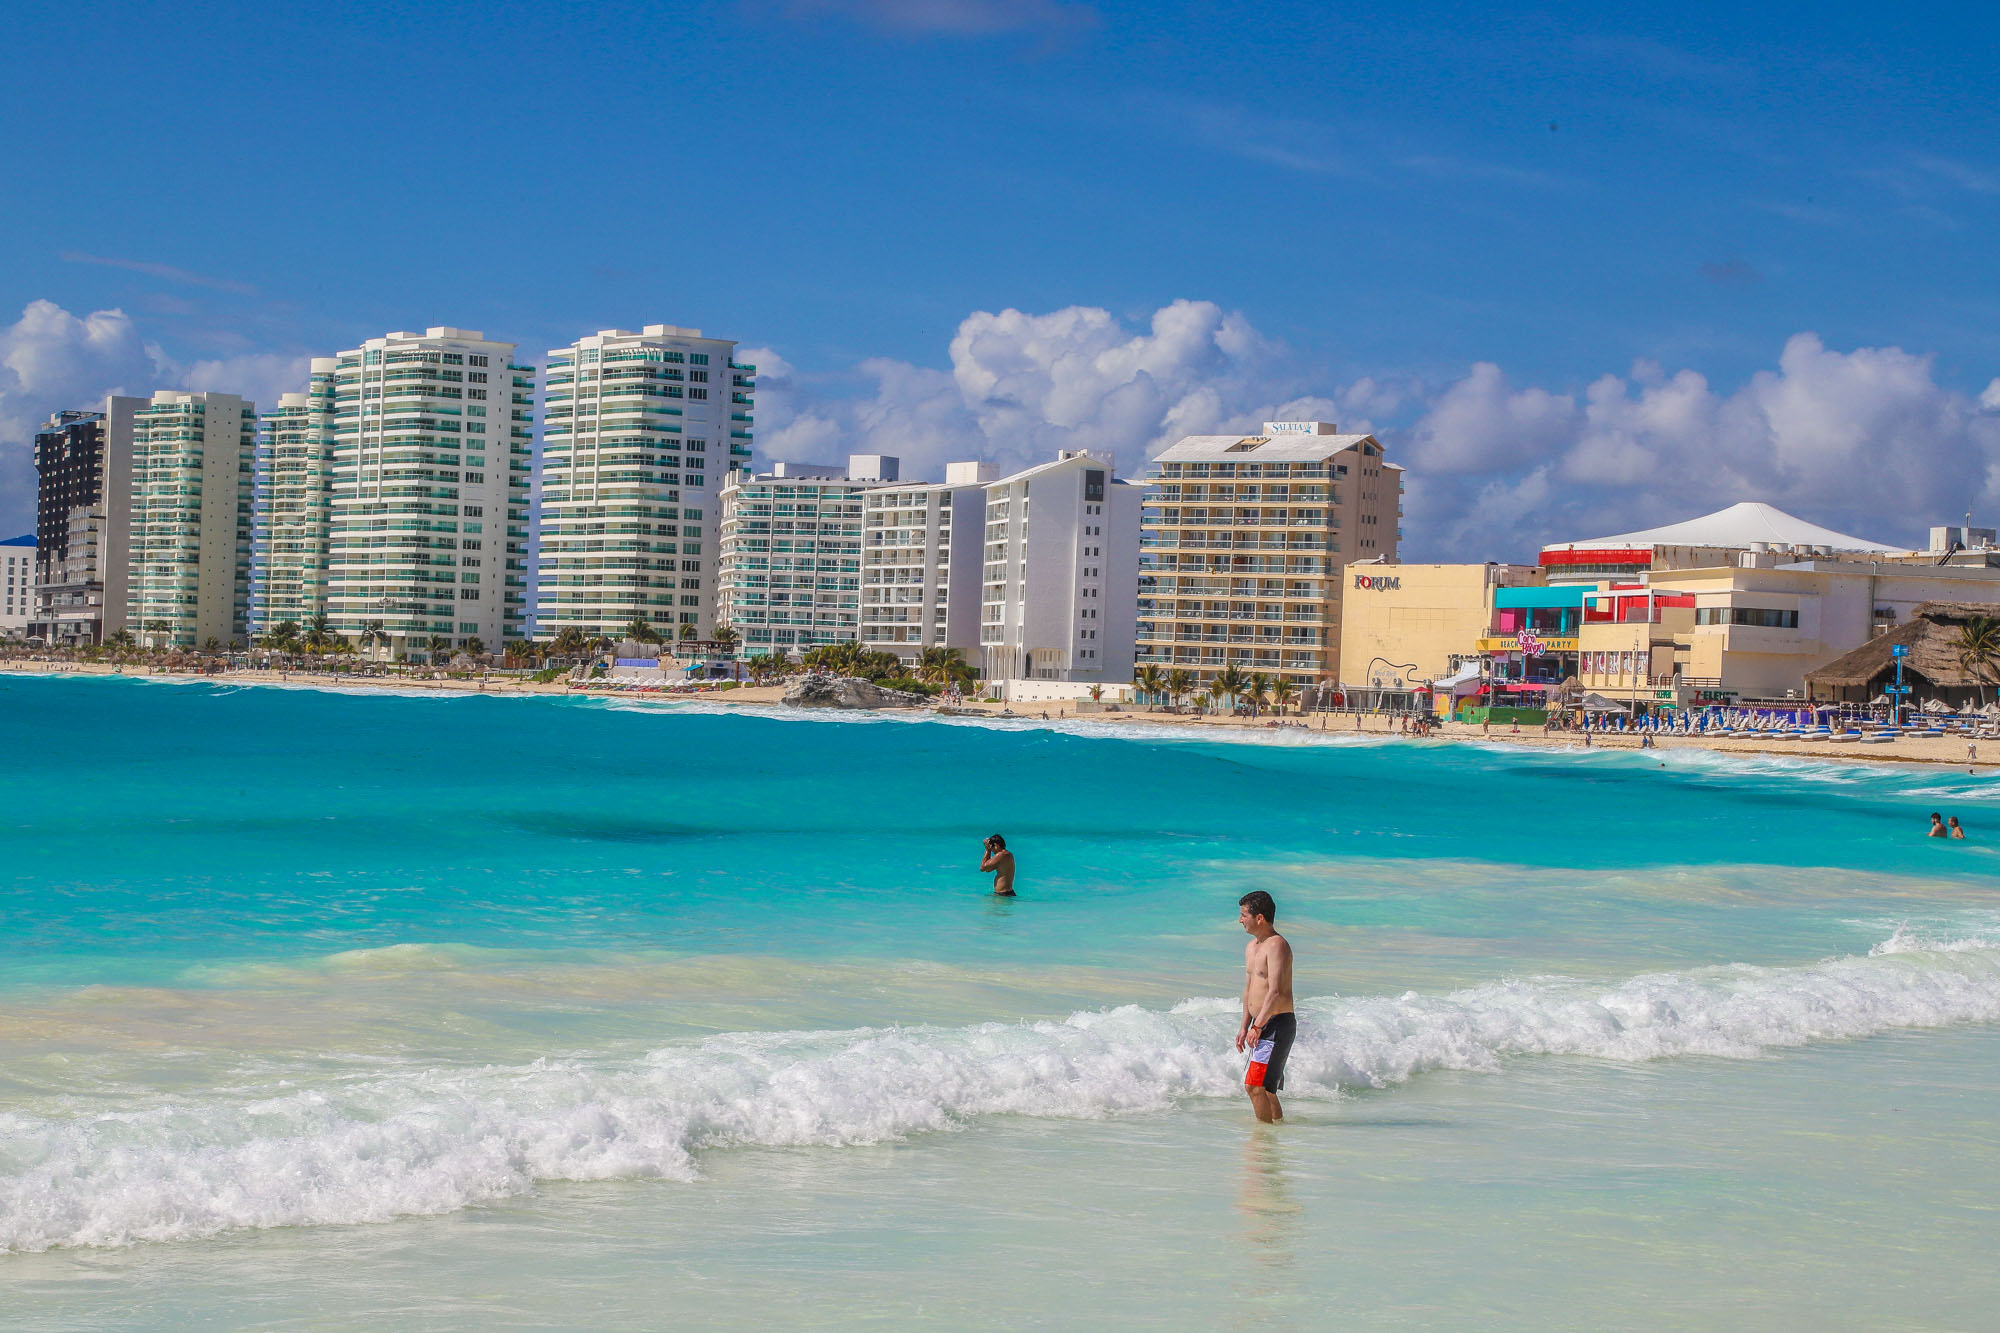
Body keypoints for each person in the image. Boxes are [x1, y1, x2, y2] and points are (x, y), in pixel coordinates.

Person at [1233, 891, 1296, 1125]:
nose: (1240, 920)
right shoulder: (1251, 947)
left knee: (1254, 1086)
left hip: (1276, 1024)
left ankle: (1263, 1140)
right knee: (1265, 1090)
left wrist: (1257, 1026)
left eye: (1243, 915)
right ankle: (1276, 1132)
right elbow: (1249, 988)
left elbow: (1275, 991)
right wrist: (1244, 1027)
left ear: (1259, 918)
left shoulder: (1277, 945)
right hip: (1259, 1025)